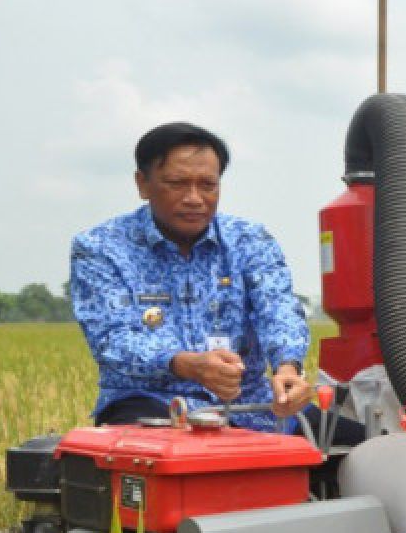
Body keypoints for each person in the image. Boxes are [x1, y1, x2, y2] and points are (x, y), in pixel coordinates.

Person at [70, 122, 314, 431]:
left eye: (208, 185)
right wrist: (187, 364)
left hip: (253, 406)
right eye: (177, 183)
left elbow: (278, 309)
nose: (194, 198)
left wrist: (288, 368)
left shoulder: (249, 240)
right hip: (150, 403)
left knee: (362, 451)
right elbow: (112, 338)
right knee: (190, 463)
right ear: (143, 184)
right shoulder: (99, 247)